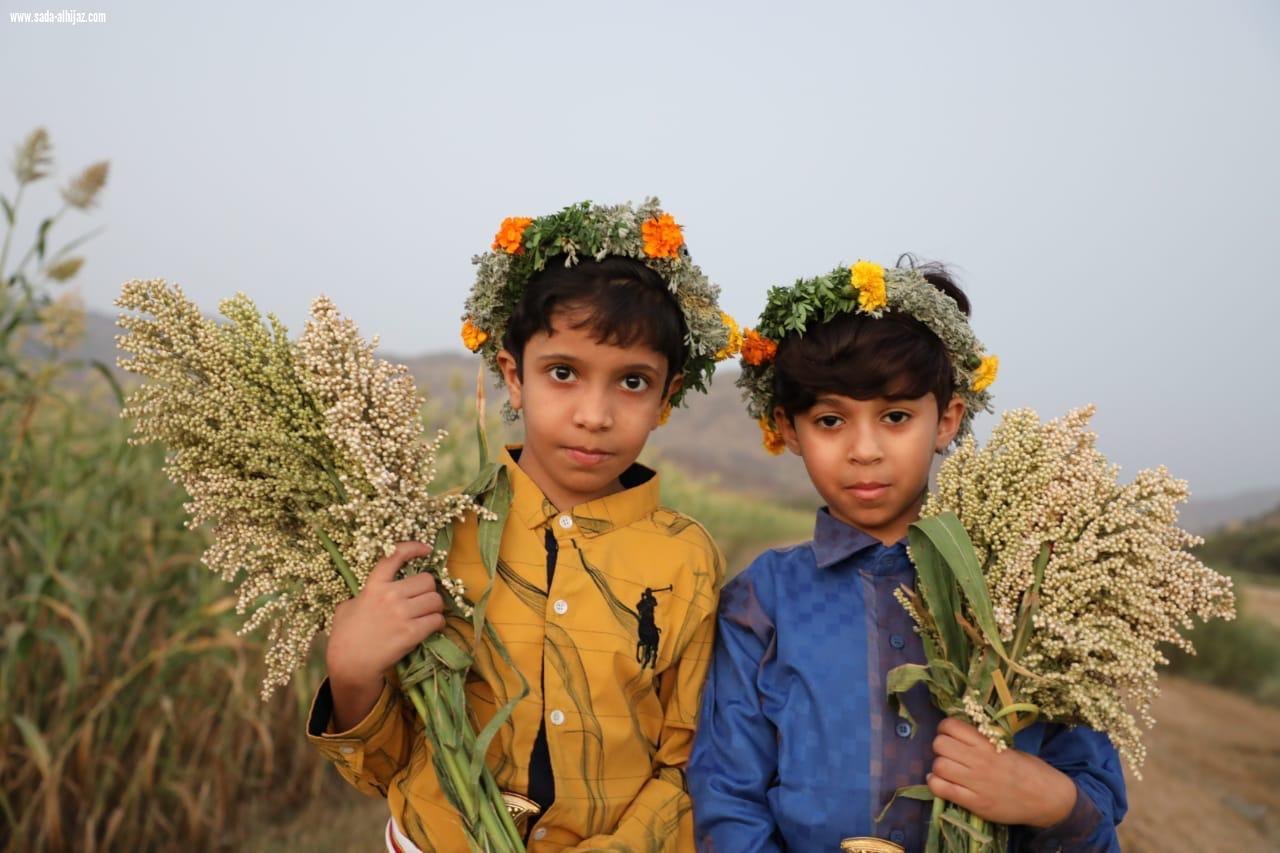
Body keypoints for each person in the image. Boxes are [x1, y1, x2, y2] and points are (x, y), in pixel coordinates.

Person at [307, 200, 739, 851]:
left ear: (666, 397)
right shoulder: (434, 534)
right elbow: (387, 763)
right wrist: (351, 673)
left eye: (631, 381)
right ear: (514, 375)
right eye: (562, 373)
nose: (594, 413)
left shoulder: (687, 558)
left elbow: (686, 760)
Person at [687, 258, 1126, 852]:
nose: (863, 450)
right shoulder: (763, 598)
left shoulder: (1022, 589)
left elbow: (1095, 810)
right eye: (830, 420)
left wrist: (1047, 798)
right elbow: (728, 798)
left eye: (895, 417)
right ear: (789, 430)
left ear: (946, 420)